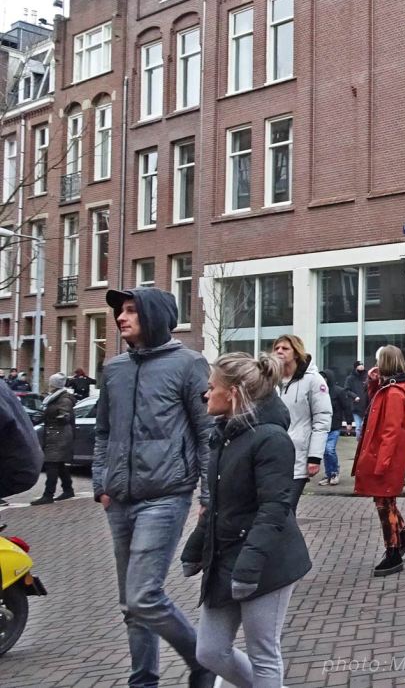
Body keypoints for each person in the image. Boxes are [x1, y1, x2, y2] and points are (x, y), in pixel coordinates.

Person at [94, 287, 216, 688]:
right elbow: (103, 431)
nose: (121, 317)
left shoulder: (188, 364)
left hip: (165, 496)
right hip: (119, 499)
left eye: (131, 310)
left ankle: (203, 661)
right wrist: (101, 483)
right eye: (120, 311)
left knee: (143, 595)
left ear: (154, 316)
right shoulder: (114, 369)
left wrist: (207, 494)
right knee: (131, 606)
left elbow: (207, 433)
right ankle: (143, 681)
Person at [182, 353, 311, 688]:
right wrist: (195, 548)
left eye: (211, 387)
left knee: (263, 653)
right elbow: (217, 503)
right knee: (210, 651)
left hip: (267, 562)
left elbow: (274, 508)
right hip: (226, 557)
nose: (206, 394)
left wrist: (250, 565)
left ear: (233, 393)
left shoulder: (271, 439)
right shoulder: (222, 435)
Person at [353, 346, 405, 576]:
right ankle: (403, 537)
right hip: (380, 454)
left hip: (382, 455)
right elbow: (375, 405)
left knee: (384, 503)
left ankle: (393, 551)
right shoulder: (390, 389)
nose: (375, 364)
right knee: (384, 500)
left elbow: (391, 431)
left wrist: (382, 463)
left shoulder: (394, 392)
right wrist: (373, 382)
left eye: (378, 360)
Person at [273, 335, 331, 513]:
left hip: (297, 455)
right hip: (271, 455)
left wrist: (314, 457)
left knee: (285, 511)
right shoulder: (270, 380)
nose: (279, 351)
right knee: (273, 511)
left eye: (285, 348)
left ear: (296, 353)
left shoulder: (313, 380)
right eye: (276, 348)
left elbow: (322, 419)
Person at [30, 373, 75, 505]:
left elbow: (65, 415)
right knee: (59, 464)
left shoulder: (64, 399)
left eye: (50, 383)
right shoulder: (53, 398)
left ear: (54, 385)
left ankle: (48, 494)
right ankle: (68, 489)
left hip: (59, 435)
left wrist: (61, 417)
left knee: (51, 464)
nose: (49, 385)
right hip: (54, 433)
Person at [316, 369, 352, 487]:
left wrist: (348, 422)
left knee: (329, 449)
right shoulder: (318, 391)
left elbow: (346, 407)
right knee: (325, 452)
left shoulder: (338, 392)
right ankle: (329, 474)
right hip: (322, 426)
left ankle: (334, 472)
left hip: (334, 425)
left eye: (324, 378)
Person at [345, 361, 368, 437]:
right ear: (355, 367)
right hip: (356, 407)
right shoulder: (350, 378)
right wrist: (354, 396)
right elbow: (347, 390)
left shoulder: (367, 377)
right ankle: (359, 442)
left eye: (362, 365)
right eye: (359, 365)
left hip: (367, 406)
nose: (361, 366)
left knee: (366, 428)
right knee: (358, 428)